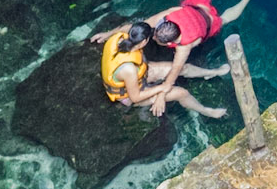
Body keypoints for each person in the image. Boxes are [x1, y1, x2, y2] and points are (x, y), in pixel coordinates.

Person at [148, 0, 260, 113]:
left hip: (208, 25)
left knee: (225, 18)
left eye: (157, 39)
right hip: (198, 9)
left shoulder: (184, 46)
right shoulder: (172, 14)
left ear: (170, 41)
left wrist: (161, 95)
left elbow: (174, 71)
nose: (154, 39)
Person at [92, 18, 230, 120]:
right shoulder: (128, 69)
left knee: (182, 68)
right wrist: (161, 90)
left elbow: (125, 27)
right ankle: (207, 111)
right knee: (181, 93)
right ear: (144, 42)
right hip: (129, 94)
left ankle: (210, 73)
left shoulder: (119, 37)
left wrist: (106, 34)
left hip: (141, 73)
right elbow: (135, 96)